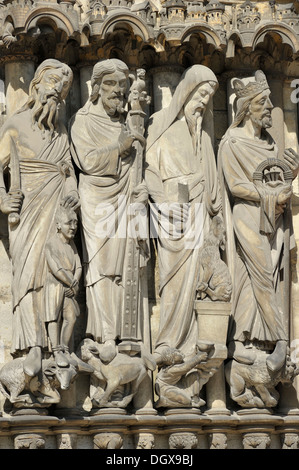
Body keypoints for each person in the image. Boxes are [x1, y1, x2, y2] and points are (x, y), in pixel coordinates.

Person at [0, 59, 79, 377]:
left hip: (58, 213)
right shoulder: (15, 124)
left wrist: (72, 186)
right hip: (29, 213)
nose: (56, 94)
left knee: (53, 280)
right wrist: (4, 200)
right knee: (28, 277)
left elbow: (68, 170)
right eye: (51, 85)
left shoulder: (60, 131)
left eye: (61, 92)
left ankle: (56, 346)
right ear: (35, 84)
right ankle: (32, 346)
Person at [218, 70, 299, 372]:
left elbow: (279, 182)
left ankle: (249, 340)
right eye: (263, 103)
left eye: (269, 102)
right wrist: (268, 195)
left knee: (269, 276)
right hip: (246, 215)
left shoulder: (270, 146)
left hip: (272, 218)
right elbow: (235, 185)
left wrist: (293, 173)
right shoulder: (232, 143)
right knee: (260, 273)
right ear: (247, 107)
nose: (268, 109)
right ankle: (280, 341)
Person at [69, 59, 148, 364]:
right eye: (111, 84)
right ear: (97, 87)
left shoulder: (126, 122)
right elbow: (87, 162)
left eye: (121, 85)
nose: (117, 91)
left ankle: (124, 332)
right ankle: (102, 334)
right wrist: (119, 147)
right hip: (96, 199)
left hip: (124, 200)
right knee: (100, 268)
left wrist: (141, 188)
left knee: (124, 267)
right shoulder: (82, 120)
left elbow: (135, 167)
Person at [145, 64, 222, 363]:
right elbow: (148, 169)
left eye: (209, 96)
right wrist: (162, 201)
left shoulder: (203, 138)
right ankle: (167, 342)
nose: (203, 101)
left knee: (197, 283)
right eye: (201, 93)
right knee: (173, 282)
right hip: (170, 217)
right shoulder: (160, 125)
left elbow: (213, 186)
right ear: (187, 91)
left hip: (199, 217)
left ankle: (192, 347)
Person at [44, 204, 82, 368]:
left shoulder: (72, 246)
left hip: (70, 286)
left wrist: (75, 283)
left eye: (75, 223)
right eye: (69, 223)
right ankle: (56, 350)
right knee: (54, 317)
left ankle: (65, 348)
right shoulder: (51, 243)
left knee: (71, 317)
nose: (73, 227)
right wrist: (70, 281)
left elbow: (79, 266)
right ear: (58, 225)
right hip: (56, 286)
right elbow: (55, 267)